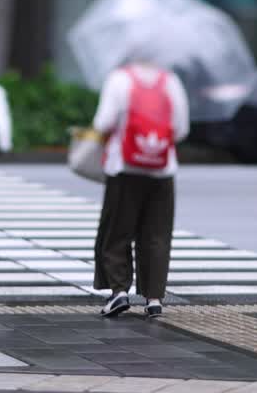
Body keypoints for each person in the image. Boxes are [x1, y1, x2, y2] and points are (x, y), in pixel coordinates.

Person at [91, 55, 189, 319]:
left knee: (117, 231)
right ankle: (154, 298)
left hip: (124, 167)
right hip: (161, 168)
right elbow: (180, 129)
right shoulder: (170, 81)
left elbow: (103, 122)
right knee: (156, 234)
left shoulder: (120, 79)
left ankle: (119, 292)